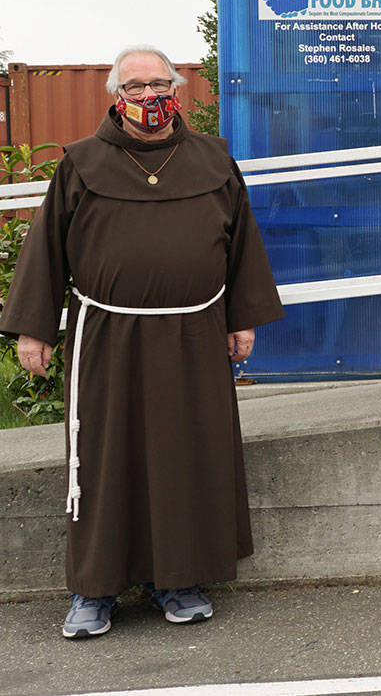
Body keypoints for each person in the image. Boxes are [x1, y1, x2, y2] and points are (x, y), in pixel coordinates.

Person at [0, 45, 284, 639]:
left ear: (177, 88)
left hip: (195, 333)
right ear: (116, 96)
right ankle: (93, 591)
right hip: (108, 335)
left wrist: (243, 319)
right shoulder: (81, 163)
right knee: (104, 459)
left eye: (160, 83)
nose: (150, 96)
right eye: (136, 87)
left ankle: (178, 581)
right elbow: (48, 248)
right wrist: (34, 327)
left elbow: (241, 246)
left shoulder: (213, 159)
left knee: (187, 456)